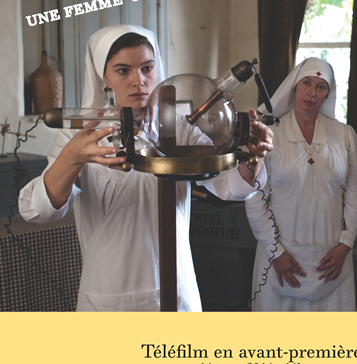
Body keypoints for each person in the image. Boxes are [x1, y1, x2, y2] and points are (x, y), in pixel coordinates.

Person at [19, 24, 273, 312]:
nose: (138, 81)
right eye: (123, 71)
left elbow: (231, 187)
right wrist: (72, 157)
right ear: (103, 77)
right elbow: (37, 211)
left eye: (147, 68)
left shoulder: (181, 126)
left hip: (176, 290)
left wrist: (255, 156)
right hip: (108, 296)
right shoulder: (80, 135)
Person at [245, 57, 357, 311]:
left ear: (328, 94)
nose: (312, 93)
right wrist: (275, 252)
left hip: (331, 260)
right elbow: (254, 197)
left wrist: (346, 243)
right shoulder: (269, 135)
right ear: (294, 86)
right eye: (307, 83)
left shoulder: (345, 135)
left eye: (321, 87)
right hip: (278, 256)